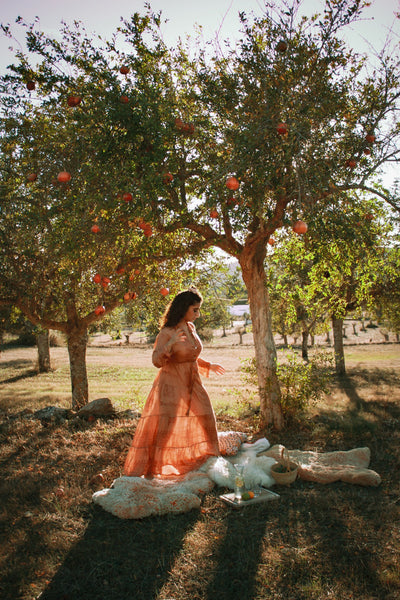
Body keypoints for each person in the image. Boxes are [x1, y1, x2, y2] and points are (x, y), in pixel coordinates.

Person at [124, 288, 225, 479]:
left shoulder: (191, 328)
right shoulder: (167, 332)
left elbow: (191, 355)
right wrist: (170, 343)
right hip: (171, 384)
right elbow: (156, 361)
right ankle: (153, 469)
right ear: (183, 308)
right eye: (195, 310)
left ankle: (211, 457)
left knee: (206, 416)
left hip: (192, 382)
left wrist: (208, 365)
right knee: (167, 426)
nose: (198, 314)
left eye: (198, 310)